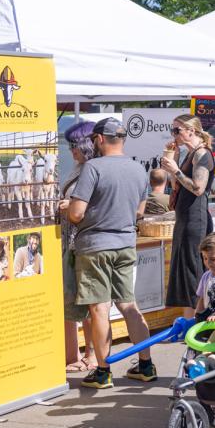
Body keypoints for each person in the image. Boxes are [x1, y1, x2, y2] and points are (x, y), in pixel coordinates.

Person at [65, 118, 154, 389]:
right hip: (125, 243)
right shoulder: (139, 169)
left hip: (95, 246)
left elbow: (76, 213)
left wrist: (69, 209)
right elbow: (140, 212)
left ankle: (103, 371)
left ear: (100, 139)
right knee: (129, 304)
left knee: (100, 308)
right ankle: (146, 365)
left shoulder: (93, 167)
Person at [162, 114, 215, 316]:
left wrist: (176, 170)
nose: (173, 134)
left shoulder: (203, 154)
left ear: (191, 131)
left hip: (196, 218)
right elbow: (176, 186)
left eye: (177, 130)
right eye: (172, 130)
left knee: (193, 269)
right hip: (185, 217)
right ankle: (189, 319)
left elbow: (198, 188)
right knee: (185, 268)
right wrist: (173, 162)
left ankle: (198, 319)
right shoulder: (190, 153)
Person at [59, 121, 98, 373]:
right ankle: (78, 354)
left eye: (75, 145)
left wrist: (69, 207)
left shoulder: (92, 169)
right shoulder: (78, 168)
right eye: (70, 145)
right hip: (72, 242)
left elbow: (91, 209)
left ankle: (92, 355)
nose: (71, 150)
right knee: (78, 303)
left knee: (91, 303)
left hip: (84, 241)